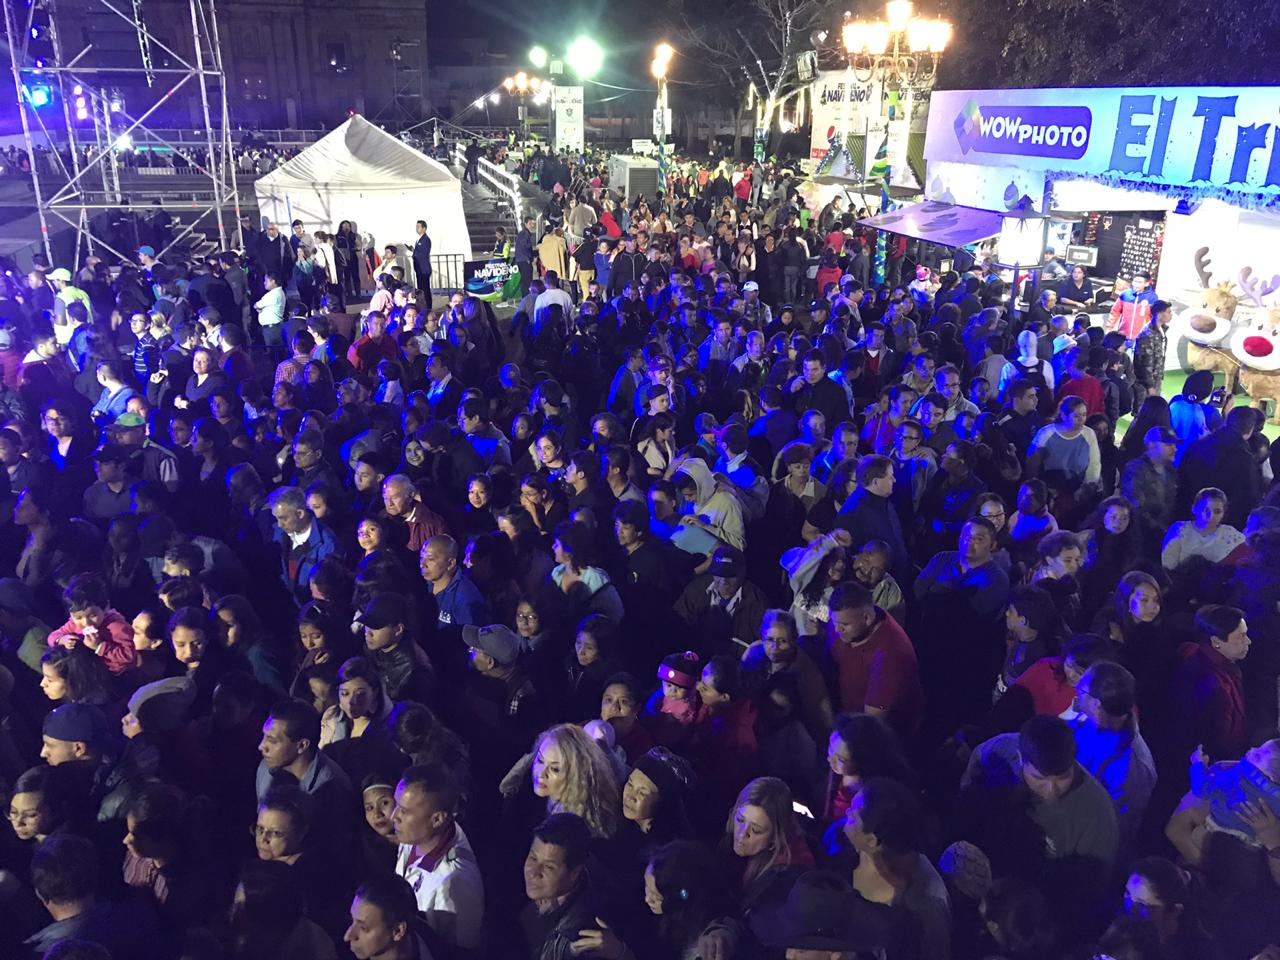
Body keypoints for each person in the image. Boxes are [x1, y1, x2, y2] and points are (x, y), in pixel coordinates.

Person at [391, 763, 485, 952]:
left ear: (437, 819)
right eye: (396, 805)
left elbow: (460, 953)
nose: (394, 816)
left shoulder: (455, 883)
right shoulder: (416, 834)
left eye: (404, 811)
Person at [413, 220, 433, 308]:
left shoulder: (426, 239)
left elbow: (424, 253)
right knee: (421, 289)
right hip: (419, 269)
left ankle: (428, 306)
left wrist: (415, 252)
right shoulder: (419, 239)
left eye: (418, 227)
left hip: (424, 269)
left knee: (425, 289)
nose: (417, 228)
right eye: (416, 226)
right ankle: (423, 306)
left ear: (424, 228)